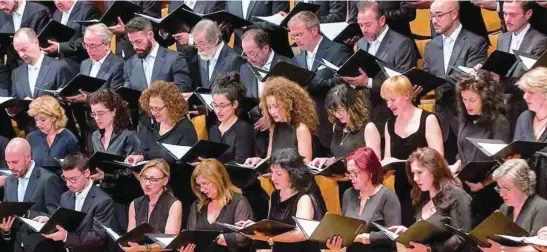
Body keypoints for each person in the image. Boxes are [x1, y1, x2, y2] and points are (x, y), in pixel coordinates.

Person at [424, 0, 489, 163]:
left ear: (454, 14)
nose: (434, 20)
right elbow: (426, 75)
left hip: (466, 117)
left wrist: (435, 81)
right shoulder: (430, 46)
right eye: (431, 16)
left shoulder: (476, 42)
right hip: (442, 121)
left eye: (439, 15)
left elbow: (470, 78)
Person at [345, 2, 419, 135]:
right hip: (368, 115)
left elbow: (403, 85)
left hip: (393, 116)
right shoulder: (361, 43)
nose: (364, 30)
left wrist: (368, 82)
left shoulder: (402, 44)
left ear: (382, 21)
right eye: (361, 25)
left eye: (368, 24)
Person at [381, 75, 443, 226]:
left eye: (393, 99)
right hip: (403, 190)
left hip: (427, 190)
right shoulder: (389, 125)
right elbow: (388, 159)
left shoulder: (428, 119)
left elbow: (439, 159)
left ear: (407, 95)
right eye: (386, 100)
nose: (389, 104)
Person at [450, 70, 510, 226]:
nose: (467, 104)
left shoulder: (498, 121)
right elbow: (463, 148)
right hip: (466, 188)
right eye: (464, 99)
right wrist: (456, 165)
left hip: (490, 191)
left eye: (472, 100)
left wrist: (482, 184)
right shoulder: (465, 118)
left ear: (485, 98)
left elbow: (505, 162)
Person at [236, 148, 326, 252]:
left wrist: (268, 237)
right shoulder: (274, 196)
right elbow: (271, 228)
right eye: (272, 172)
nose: (273, 178)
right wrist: (254, 227)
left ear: (292, 175)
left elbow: (302, 233)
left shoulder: (304, 198)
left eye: (278, 174)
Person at [288, 11, 353, 148]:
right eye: (293, 36)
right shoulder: (297, 59)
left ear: (314, 30)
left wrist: (314, 84)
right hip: (307, 128)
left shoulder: (338, 50)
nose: (296, 40)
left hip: (332, 124)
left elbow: (345, 82)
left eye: (299, 35)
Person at [209, 73, 268, 220]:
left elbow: (241, 165)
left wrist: (212, 167)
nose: (218, 111)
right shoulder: (213, 130)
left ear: (234, 104)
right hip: (221, 189)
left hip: (244, 192)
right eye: (215, 105)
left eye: (223, 106)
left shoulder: (243, 128)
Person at [388, 147, 472, 252]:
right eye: (413, 173)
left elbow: (461, 237)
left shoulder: (457, 195)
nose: (415, 178)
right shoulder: (422, 197)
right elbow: (430, 234)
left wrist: (429, 250)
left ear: (434, 170)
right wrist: (409, 233)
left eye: (419, 172)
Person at [325, 147, 401, 252]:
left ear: (370, 171)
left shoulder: (387, 196)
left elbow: (394, 233)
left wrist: (367, 238)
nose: (351, 177)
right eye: (349, 172)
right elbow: (346, 230)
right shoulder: (348, 194)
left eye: (355, 172)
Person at [88, 88, 142, 234]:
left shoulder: (128, 136)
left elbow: (134, 173)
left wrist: (106, 176)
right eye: (94, 114)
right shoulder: (95, 136)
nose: (97, 118)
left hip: (124, 199)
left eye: (101, 113)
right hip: (104, 198)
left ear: (114, 111)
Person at [37, 153, 114, 252]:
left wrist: (66, 237)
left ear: (86, 173)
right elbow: (65, 223)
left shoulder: (103, 201)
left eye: (73, 179)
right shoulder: (65, 197)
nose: (68, 184)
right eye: (65, 178)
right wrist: (50, 221)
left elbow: (99, 237)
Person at [0, 138, 63, 252]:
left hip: (41, 247)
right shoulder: (9, 181)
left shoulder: (48, 179)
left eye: (14, 162)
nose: (10, 167)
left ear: (28, 157)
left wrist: (30, 214)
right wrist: (6, 229)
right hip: (18, 247)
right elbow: (9, 216)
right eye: (7, 162)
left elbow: (57, 217)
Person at [180, 159, 253, 252]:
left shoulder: (238, 202)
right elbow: (191, 238)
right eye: (199, 185)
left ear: (219, 178)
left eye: (205, 183)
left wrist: (211, 238)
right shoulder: (197, 205)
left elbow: (242, 238)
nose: (202, 189)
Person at [239, 28, 291, 157]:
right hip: (257, 134)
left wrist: (271, 118)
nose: (249, 59)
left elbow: (294, 101)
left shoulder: (287, 65)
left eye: (252, 53)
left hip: (283, 132)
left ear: (266, 49)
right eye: (245, 54)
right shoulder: (245, 68)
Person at [245, 77, 318, 165]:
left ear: (288, 103)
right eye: (269, 107)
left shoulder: (301, 129)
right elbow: (270, 159)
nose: (272, 111)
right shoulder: (274, 127)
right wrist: (260, 161)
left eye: (276, 106)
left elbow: (305, 166)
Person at [479, 159, 547, 252]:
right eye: (500, 188)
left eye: (506, 188)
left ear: (523, 185)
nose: (501, 194)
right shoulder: (505, 207)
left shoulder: (542, 207)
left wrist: (502, 250)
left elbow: (540, 248)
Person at [126, 80, 198, 165]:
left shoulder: (185, 128)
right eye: (151, 108)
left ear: (172, 105)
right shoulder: (157, 124)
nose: (153, 113)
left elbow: (184, 167)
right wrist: (141, 158)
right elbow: (153, 155)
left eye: (158, 108)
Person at [120, 159, 182, 252]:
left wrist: (143, 249)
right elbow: (130, 238)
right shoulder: (135, 204)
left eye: (153, 180)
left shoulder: (174, 204)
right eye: (144, 178)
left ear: (165, 180)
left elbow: (170, 243)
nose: (147, 184)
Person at [123, 16, 192, 92]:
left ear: (150, 35)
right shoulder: (129, 65)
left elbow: (183, 88)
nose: (135, 47)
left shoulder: (175, 59)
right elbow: (127, 93)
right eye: (132, 42)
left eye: (138, 41)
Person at [8, 28, 72, 99]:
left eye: (24, 49)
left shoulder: (59, 67)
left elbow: (67, 100)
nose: (21, 55)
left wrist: (37, 105)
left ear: (36, 42)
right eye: (18, 51)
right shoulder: (16, 73)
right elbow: (15, 103)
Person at [513, 67, 547, 199]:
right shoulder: (524, 118)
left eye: (531, 92)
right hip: (526, 194)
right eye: (524, 92)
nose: (525, 96)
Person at [44, 0, 101, 76]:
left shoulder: (88, 10)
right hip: (61, 62)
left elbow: (88, 42)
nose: (57, 2)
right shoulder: (57, 13)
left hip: (80, 62)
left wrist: (60, 47)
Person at [184, 19, 243, 91]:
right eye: (196, 44)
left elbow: (234, 92)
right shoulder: (202, 56)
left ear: (216, 40)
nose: (199, 50)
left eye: (201, 43)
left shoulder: (234, 60)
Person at [26, 95, 80, 168]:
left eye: (43, 120)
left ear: (54, 117)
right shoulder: (31, 138)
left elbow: (76, 168)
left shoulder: (69, 138)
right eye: (36, 120)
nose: (38, 124)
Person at [0, 0, 50, 72]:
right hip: (11, 70)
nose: (0, 7)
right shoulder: (2, 15)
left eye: (3, 2)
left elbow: (43, 44)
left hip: (35, 68)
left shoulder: (39, 11)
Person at [348, 1, 416, 39]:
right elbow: (353, 20)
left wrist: (382, 16)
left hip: (399, 44)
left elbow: (410, 14)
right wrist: (350, 35)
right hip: (367, 47)